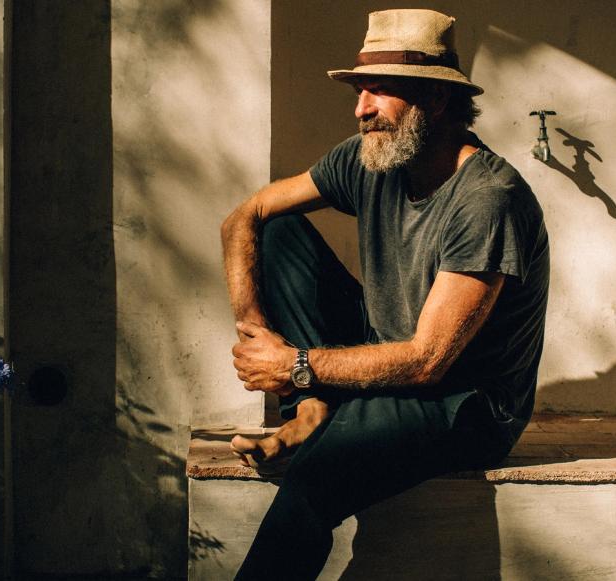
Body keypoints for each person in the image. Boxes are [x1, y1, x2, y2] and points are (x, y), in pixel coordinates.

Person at [221, 8, 549, 580]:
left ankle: (320, 415)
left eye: (379, 91)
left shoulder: (488, 198)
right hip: (389, 363)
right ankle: (317, 409)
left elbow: (427, 362)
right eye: (358, 89)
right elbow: (244, 216)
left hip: (463, 403)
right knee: (276, 232)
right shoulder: (370, 159)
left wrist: (295, 366)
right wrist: (258, 334)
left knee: (310, 486)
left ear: (437, 100)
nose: (360, 108)